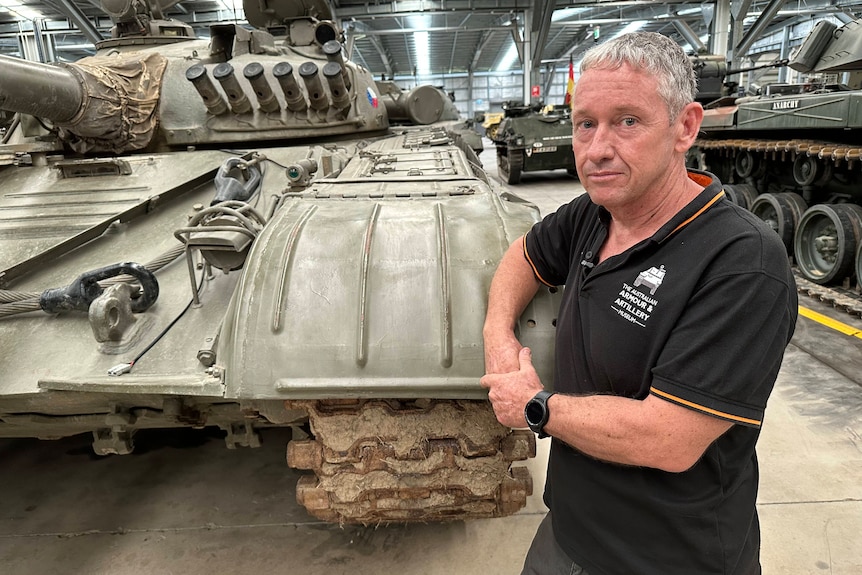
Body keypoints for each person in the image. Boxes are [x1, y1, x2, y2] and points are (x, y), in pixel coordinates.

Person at [480, 32, 797, 575]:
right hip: (568, 534)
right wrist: (498, 336)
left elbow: (668, 438)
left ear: (685, 127)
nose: (598, 148)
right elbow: (523, 255)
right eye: (586, 123)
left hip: (670, 557)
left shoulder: (742, 263)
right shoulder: (594, 213)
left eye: (628, 121)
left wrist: (536, 405)